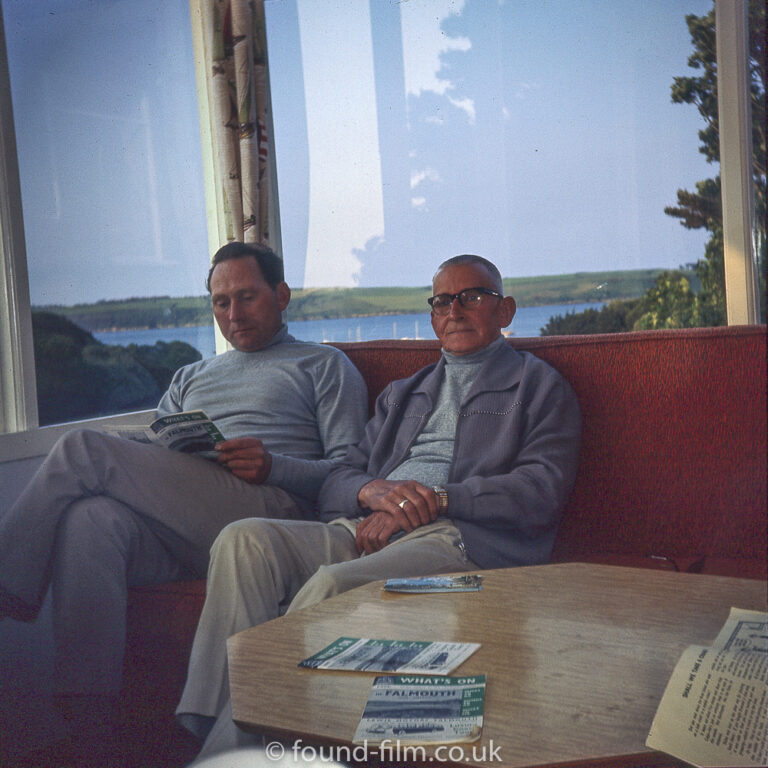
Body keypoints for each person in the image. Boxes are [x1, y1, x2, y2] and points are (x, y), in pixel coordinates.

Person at [177, 254, 581, 761]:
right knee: (243, 539)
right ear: (432, 318)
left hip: (459, 539)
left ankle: (234, 754)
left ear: (506, 311)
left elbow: (541, 490)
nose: (454, 310)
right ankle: (216, 727)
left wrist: (438, 500)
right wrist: (372, 494)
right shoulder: (402, 394)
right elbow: (341, 475)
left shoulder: (539, 386)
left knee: (330, 586)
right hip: (367, 526)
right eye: (441, 301)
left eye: (471, 296)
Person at [0, 242, 368, 757]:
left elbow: (351, 471)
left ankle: (8, 588)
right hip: (189, 521)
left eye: (247, 297)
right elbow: (156, 447)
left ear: (281, 295)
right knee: (91, 519)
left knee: (81, 448)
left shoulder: (323, 364)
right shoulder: (191, 375)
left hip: (268, 512)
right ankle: (91, 728)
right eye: (221, 303)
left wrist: (273, 465)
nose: (233, 315)